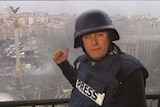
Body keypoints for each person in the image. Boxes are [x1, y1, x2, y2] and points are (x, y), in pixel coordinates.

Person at [53, 9, 149, 107]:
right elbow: (82, 87)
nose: (94, 42)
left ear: (109, 37)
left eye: (100, 35)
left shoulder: (128, 71)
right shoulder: (84, 62)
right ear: (82, 42)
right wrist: (63, 65)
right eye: (87, 37)